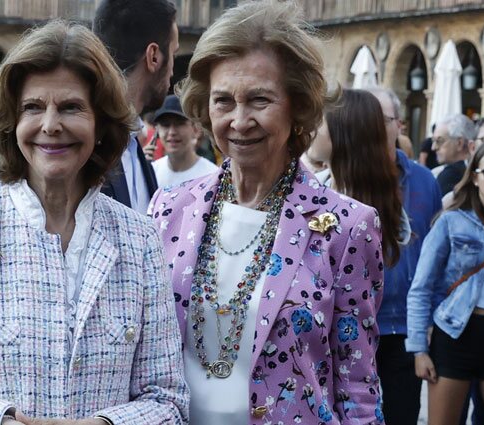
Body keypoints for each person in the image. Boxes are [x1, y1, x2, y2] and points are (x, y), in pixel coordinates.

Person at [0, 21, 189, 425]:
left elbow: (168, 399)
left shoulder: (140, 239)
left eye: (70, 107)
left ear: (101, 125)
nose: (50, 125)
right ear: (12, 122)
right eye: (33, 107)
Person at [149, 2, 384, 423]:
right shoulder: (168, 210)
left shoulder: (347, 228)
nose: (240, 121)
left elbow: (358, 386)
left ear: (296, 107)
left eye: (260, 100)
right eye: (223, 101)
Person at [407, 140, 484, 425]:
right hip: (454, 337)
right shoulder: (450, 222)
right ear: (475, 176)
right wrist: (419, 349)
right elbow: (421, 289)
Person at [363, 87, 443, 424]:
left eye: (382, 120)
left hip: (408, 326)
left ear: (399, 125)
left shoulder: (425, 181)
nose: (375, 128)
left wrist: (429, 323)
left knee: (403, 414)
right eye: (367, 120)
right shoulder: (346, 178)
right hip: (358, 324)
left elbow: (439, 257)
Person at [92, 0, 179, 213]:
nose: (173, 72)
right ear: (154, 56)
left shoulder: (133, 147)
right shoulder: (86, 145)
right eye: (174, 54)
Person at [309, 89, 406, 265]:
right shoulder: (313, 186)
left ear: (343, 132)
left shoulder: (365, 213)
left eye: (318, 121)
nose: (311, 128)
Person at [151, 95, 217, 188]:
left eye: (179, 124)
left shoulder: (212, 175)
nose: (172, 132)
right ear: (157, 130)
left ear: (195, 129)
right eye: (165, 125)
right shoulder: (152, 173)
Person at [433, 113, 477, 196]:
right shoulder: (436, 172)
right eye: (433, 141)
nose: (433, 147)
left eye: (439, 141)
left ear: (459, 143)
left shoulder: (449, 176)